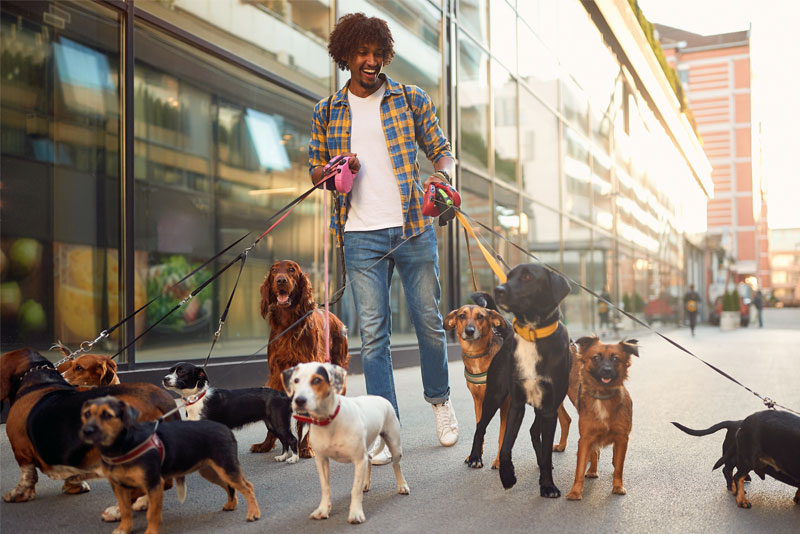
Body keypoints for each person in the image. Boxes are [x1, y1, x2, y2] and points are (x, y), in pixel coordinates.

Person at [308, 13, 458, 465]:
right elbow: (316, 171)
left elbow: (442, 150)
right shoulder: (327, 111)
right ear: (346, 55)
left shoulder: (409, 98)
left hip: (412, 227)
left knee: (429, 322)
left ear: (385, 55)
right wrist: (334, 171)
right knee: (374, 335)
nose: (371, 61)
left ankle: (440, 400)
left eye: (378, 53)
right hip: (359, 235)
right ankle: (381, 424)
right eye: (362, 53)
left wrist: (443, 180)